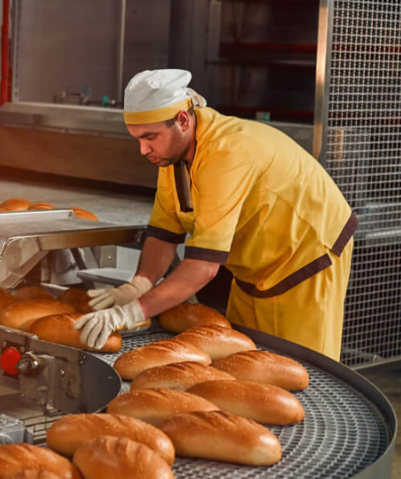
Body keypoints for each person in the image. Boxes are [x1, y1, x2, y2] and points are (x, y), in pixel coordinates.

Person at [74, 69, 356, 361]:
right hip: (254, 266)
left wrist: (132, 312)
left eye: (150, 137)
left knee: (302, 372)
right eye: (137, 139)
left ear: (183, 120)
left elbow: (204, 267)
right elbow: (164, 232)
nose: (143, 149)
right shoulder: (173, 155)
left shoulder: (227, 153)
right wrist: (139, 284)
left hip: (308, 255)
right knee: (243, 360)